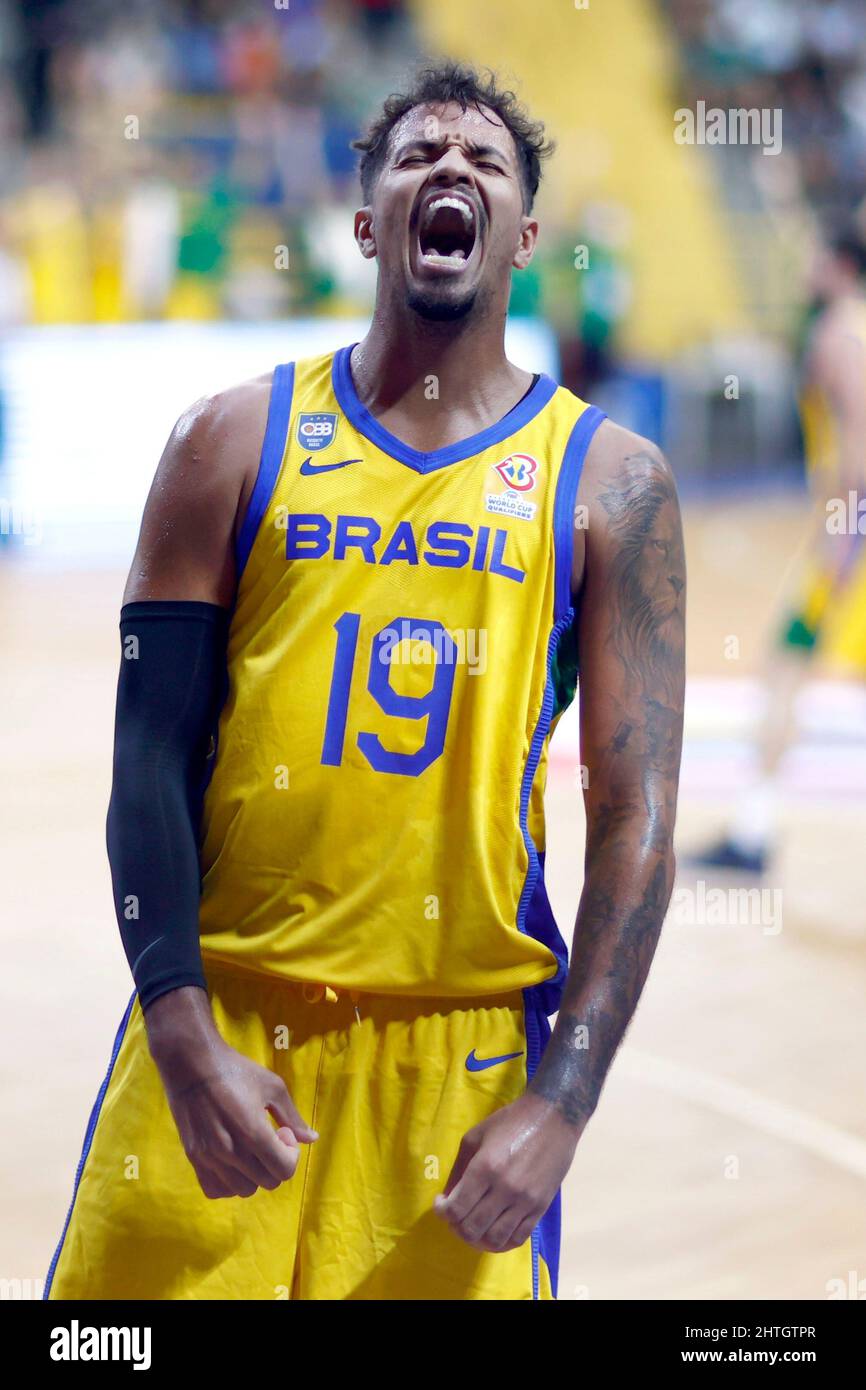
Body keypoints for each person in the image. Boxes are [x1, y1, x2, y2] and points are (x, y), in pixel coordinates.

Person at [46, 61, 685, 1302]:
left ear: (525, 236)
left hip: (463, 1066)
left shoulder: (612, 483)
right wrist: (177, 1031)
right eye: (417, 157)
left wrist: (563, 1100)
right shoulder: (227, 440)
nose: (451, 170)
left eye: (485, 162)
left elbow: (634, 818)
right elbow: (147, 763)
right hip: (223, 1019)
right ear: (364, 222)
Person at [693, 228, 866, 875]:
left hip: (852, 538)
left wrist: (841, 546)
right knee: (785, 667)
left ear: (840, 266)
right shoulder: (856, 327)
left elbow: (858, 452)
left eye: (816, 256)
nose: (805, 266)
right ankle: (753, 824)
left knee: (785, 669)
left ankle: (754, 830)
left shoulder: (838, 336)